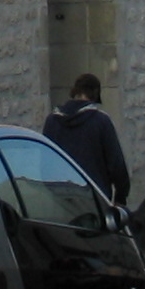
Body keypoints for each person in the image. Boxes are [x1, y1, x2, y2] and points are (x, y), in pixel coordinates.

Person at [42, 74, 129, 203]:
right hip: (95, 200)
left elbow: (44, 165)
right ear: (95, 94)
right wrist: (121, 197)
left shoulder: (52, 121)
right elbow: (117, 165)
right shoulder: (100, 121)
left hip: (60, 200)